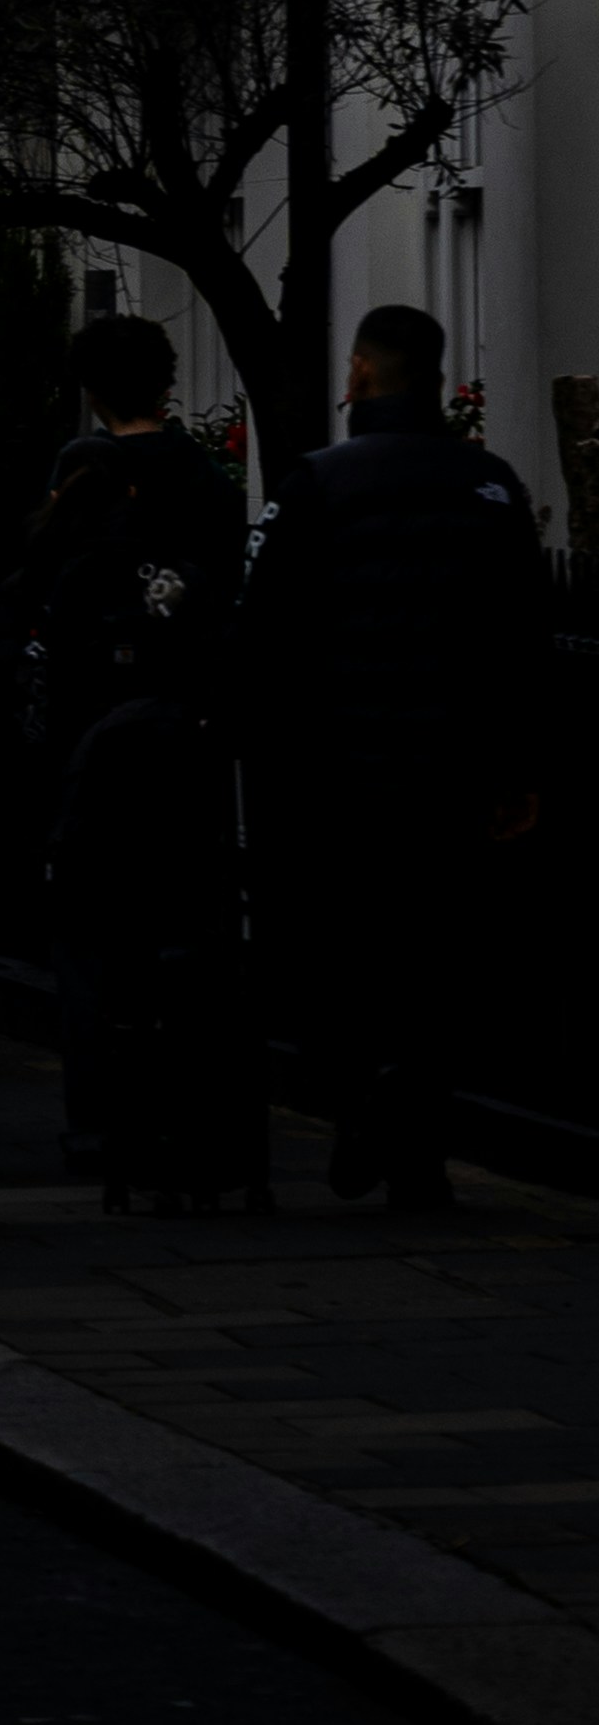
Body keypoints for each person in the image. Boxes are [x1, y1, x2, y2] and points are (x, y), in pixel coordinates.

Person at [244, 300, 549, 1216]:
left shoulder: (313, 485)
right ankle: (417, 1144)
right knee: (441, 958)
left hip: (343, 770)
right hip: (453, 768)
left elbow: (264, 636)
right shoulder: (490, 485)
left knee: (348, 953)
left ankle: (363, 1099)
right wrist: (517, 766)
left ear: (360, 373)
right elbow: (524, 638)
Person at [3, 311, 251, 1202]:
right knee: (183, 932)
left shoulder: (82, 473)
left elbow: (41, 601)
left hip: (88, 737)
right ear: (166, 382)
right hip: (184, 733)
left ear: (90, 389)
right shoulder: (207, 479)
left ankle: (99, 1119)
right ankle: (185, 1107)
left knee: (90, 941)